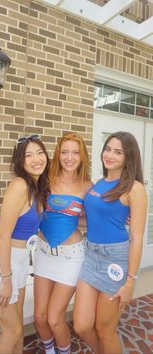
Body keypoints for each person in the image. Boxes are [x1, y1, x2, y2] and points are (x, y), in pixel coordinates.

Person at [0, 134, 50, 354]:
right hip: (3, 266)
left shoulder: (37, 188)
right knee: (11, 331)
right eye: (28, 155)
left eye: (40, 153)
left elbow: (22, 222)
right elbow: (3, 236)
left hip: (20, 263)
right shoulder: (20, 184)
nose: (36, 159)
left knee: (17, 329)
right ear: (20, 162)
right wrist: (6, 279)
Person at [73, 131, 147, 354]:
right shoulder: (98, 184)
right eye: (108, 149)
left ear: (128, 157)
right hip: (91, 256)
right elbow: (92, 222)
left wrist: (131, 281)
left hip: (115, 261)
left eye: (118, 152)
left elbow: (137, 238)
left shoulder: (135, 188)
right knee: (82, 325)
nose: (110, 155)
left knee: (105, 330)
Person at [34, 132, 92, 354]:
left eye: (75, 153)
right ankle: (50, 351)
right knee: (39, 318)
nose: (69, 157)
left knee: (55, 319)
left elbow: (90, 219)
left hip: (70, 256)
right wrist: (4, 218)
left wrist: (116, 218)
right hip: (44, 253)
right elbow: (27, 206)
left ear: (82, 156)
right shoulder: (46, 178)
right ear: (58, 154)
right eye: (65, 152)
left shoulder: (88, 186)